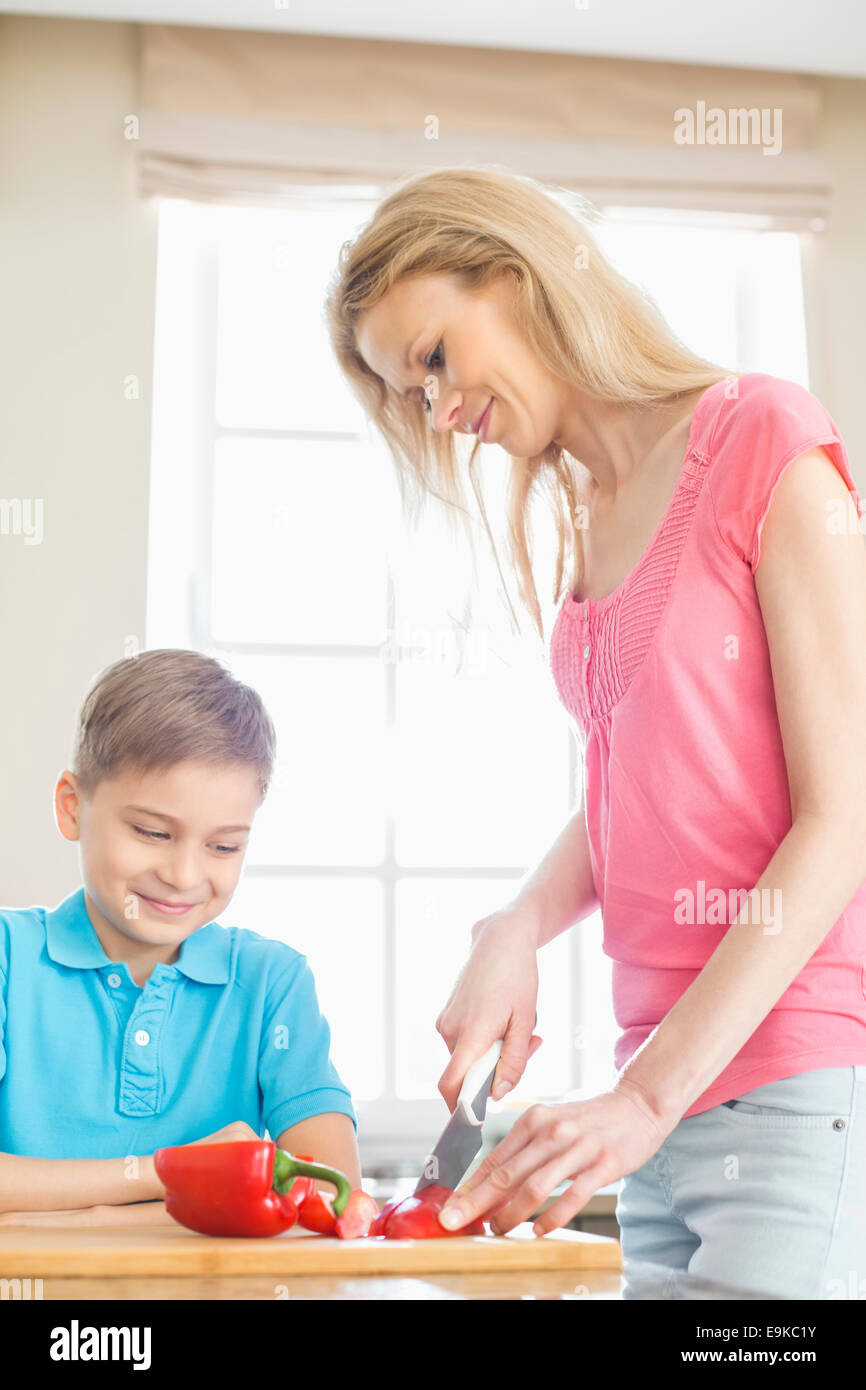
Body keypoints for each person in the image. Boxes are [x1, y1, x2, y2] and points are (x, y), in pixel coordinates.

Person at [325, 164, 866, 1298]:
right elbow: (655, 779)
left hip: (788, 1080)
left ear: (516, 282)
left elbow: (842, 816)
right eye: (407, 395)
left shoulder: (760, 439)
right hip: (656, 1093)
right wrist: (517, 920)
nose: (434, 408)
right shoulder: (582, 521)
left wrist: (645, 1099)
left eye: (430, 357)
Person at [0, 648, 359, 1226]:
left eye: (224, 846)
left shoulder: (273, 983)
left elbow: (329, 1198)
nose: (184, 876)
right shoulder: (8, 959)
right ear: (73, 808)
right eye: (151, 832)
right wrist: (167, 1170)